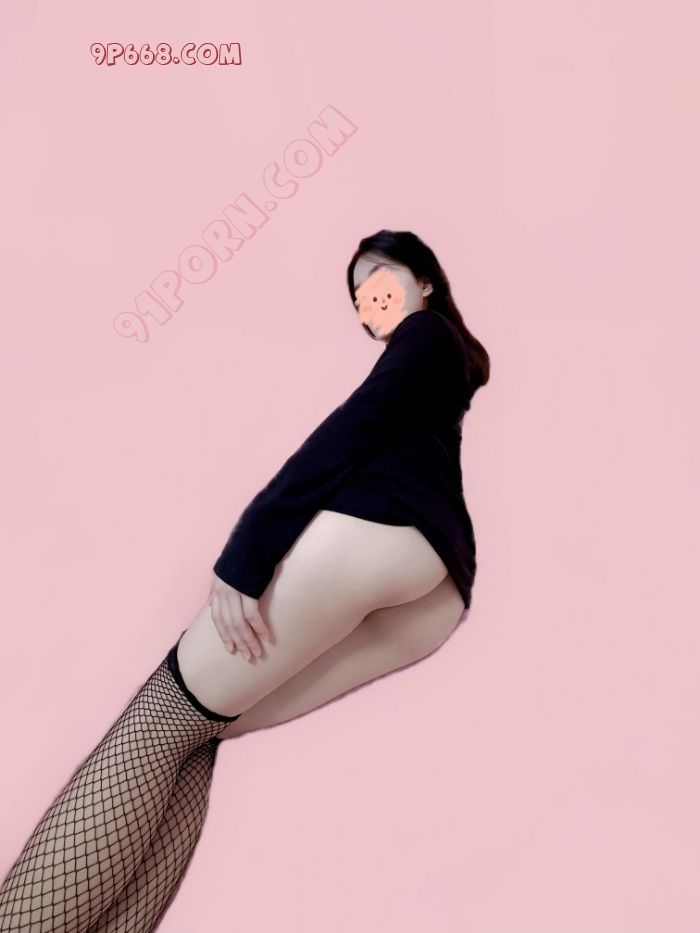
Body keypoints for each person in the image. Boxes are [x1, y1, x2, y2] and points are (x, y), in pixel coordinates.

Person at [0, 229, 490, 932]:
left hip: (371, 540)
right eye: (359, 295)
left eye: (380, 277)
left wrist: (247, 550)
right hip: (435, 593)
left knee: (161, 721)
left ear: (426, 281)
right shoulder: (443, 369)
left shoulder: (427, 335)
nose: (369, 298)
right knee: (200, 733)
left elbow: (352, 428)